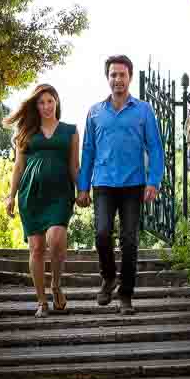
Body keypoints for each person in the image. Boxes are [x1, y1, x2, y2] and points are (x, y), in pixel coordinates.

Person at [77, 54, 164, 315]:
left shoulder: (144, 110)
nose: (117, 79)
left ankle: (126, 295)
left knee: (129, 240)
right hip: (103, 183)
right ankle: (108, 277)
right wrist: (83, 187)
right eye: (113, 75)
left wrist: (153, 181)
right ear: (108, 78)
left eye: (122, 75)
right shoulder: (94, 112)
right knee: (102, 233)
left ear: (130, 78)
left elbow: (155, 148)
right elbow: (88, 151)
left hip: (133, 184)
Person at [4, 84, 79, 318]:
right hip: (31, 194)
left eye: (50, 101)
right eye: (41, 102)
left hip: (60, 194)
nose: (46, 106)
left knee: (56, 240)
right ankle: (41, 301)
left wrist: (83, 190)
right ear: (35, 106)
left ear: (56, 101)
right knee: (36, 248)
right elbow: (18, 167)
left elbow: (74, 166)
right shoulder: (26, 133)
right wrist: (11, 195)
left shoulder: (70, 131)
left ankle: (56, 285)